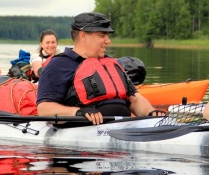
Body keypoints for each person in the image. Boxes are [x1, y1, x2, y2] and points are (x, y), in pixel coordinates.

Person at [37, 12, 165, 124]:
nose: (108, 41)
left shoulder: (110, 63)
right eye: (102, 35)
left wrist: (151, 113)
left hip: (122, 127)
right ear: (83, 36)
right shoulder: (58, 65)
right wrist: (78, 112)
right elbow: (44, 109)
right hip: (84, 132)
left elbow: (135, 99)